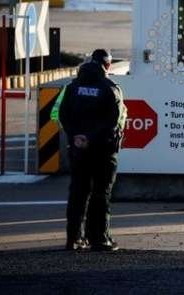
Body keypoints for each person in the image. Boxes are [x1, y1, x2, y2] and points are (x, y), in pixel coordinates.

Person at [56, 49, 126, 252]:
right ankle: (99, 239)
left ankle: (74, 239)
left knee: (78, 192)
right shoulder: (110, 88)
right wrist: (91, 138)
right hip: (103, 150)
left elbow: (62, 114)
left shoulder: (72, 87)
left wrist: (76, 137)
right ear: (108, 65)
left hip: (77, 149)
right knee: (100, 193)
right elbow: (114, 121)